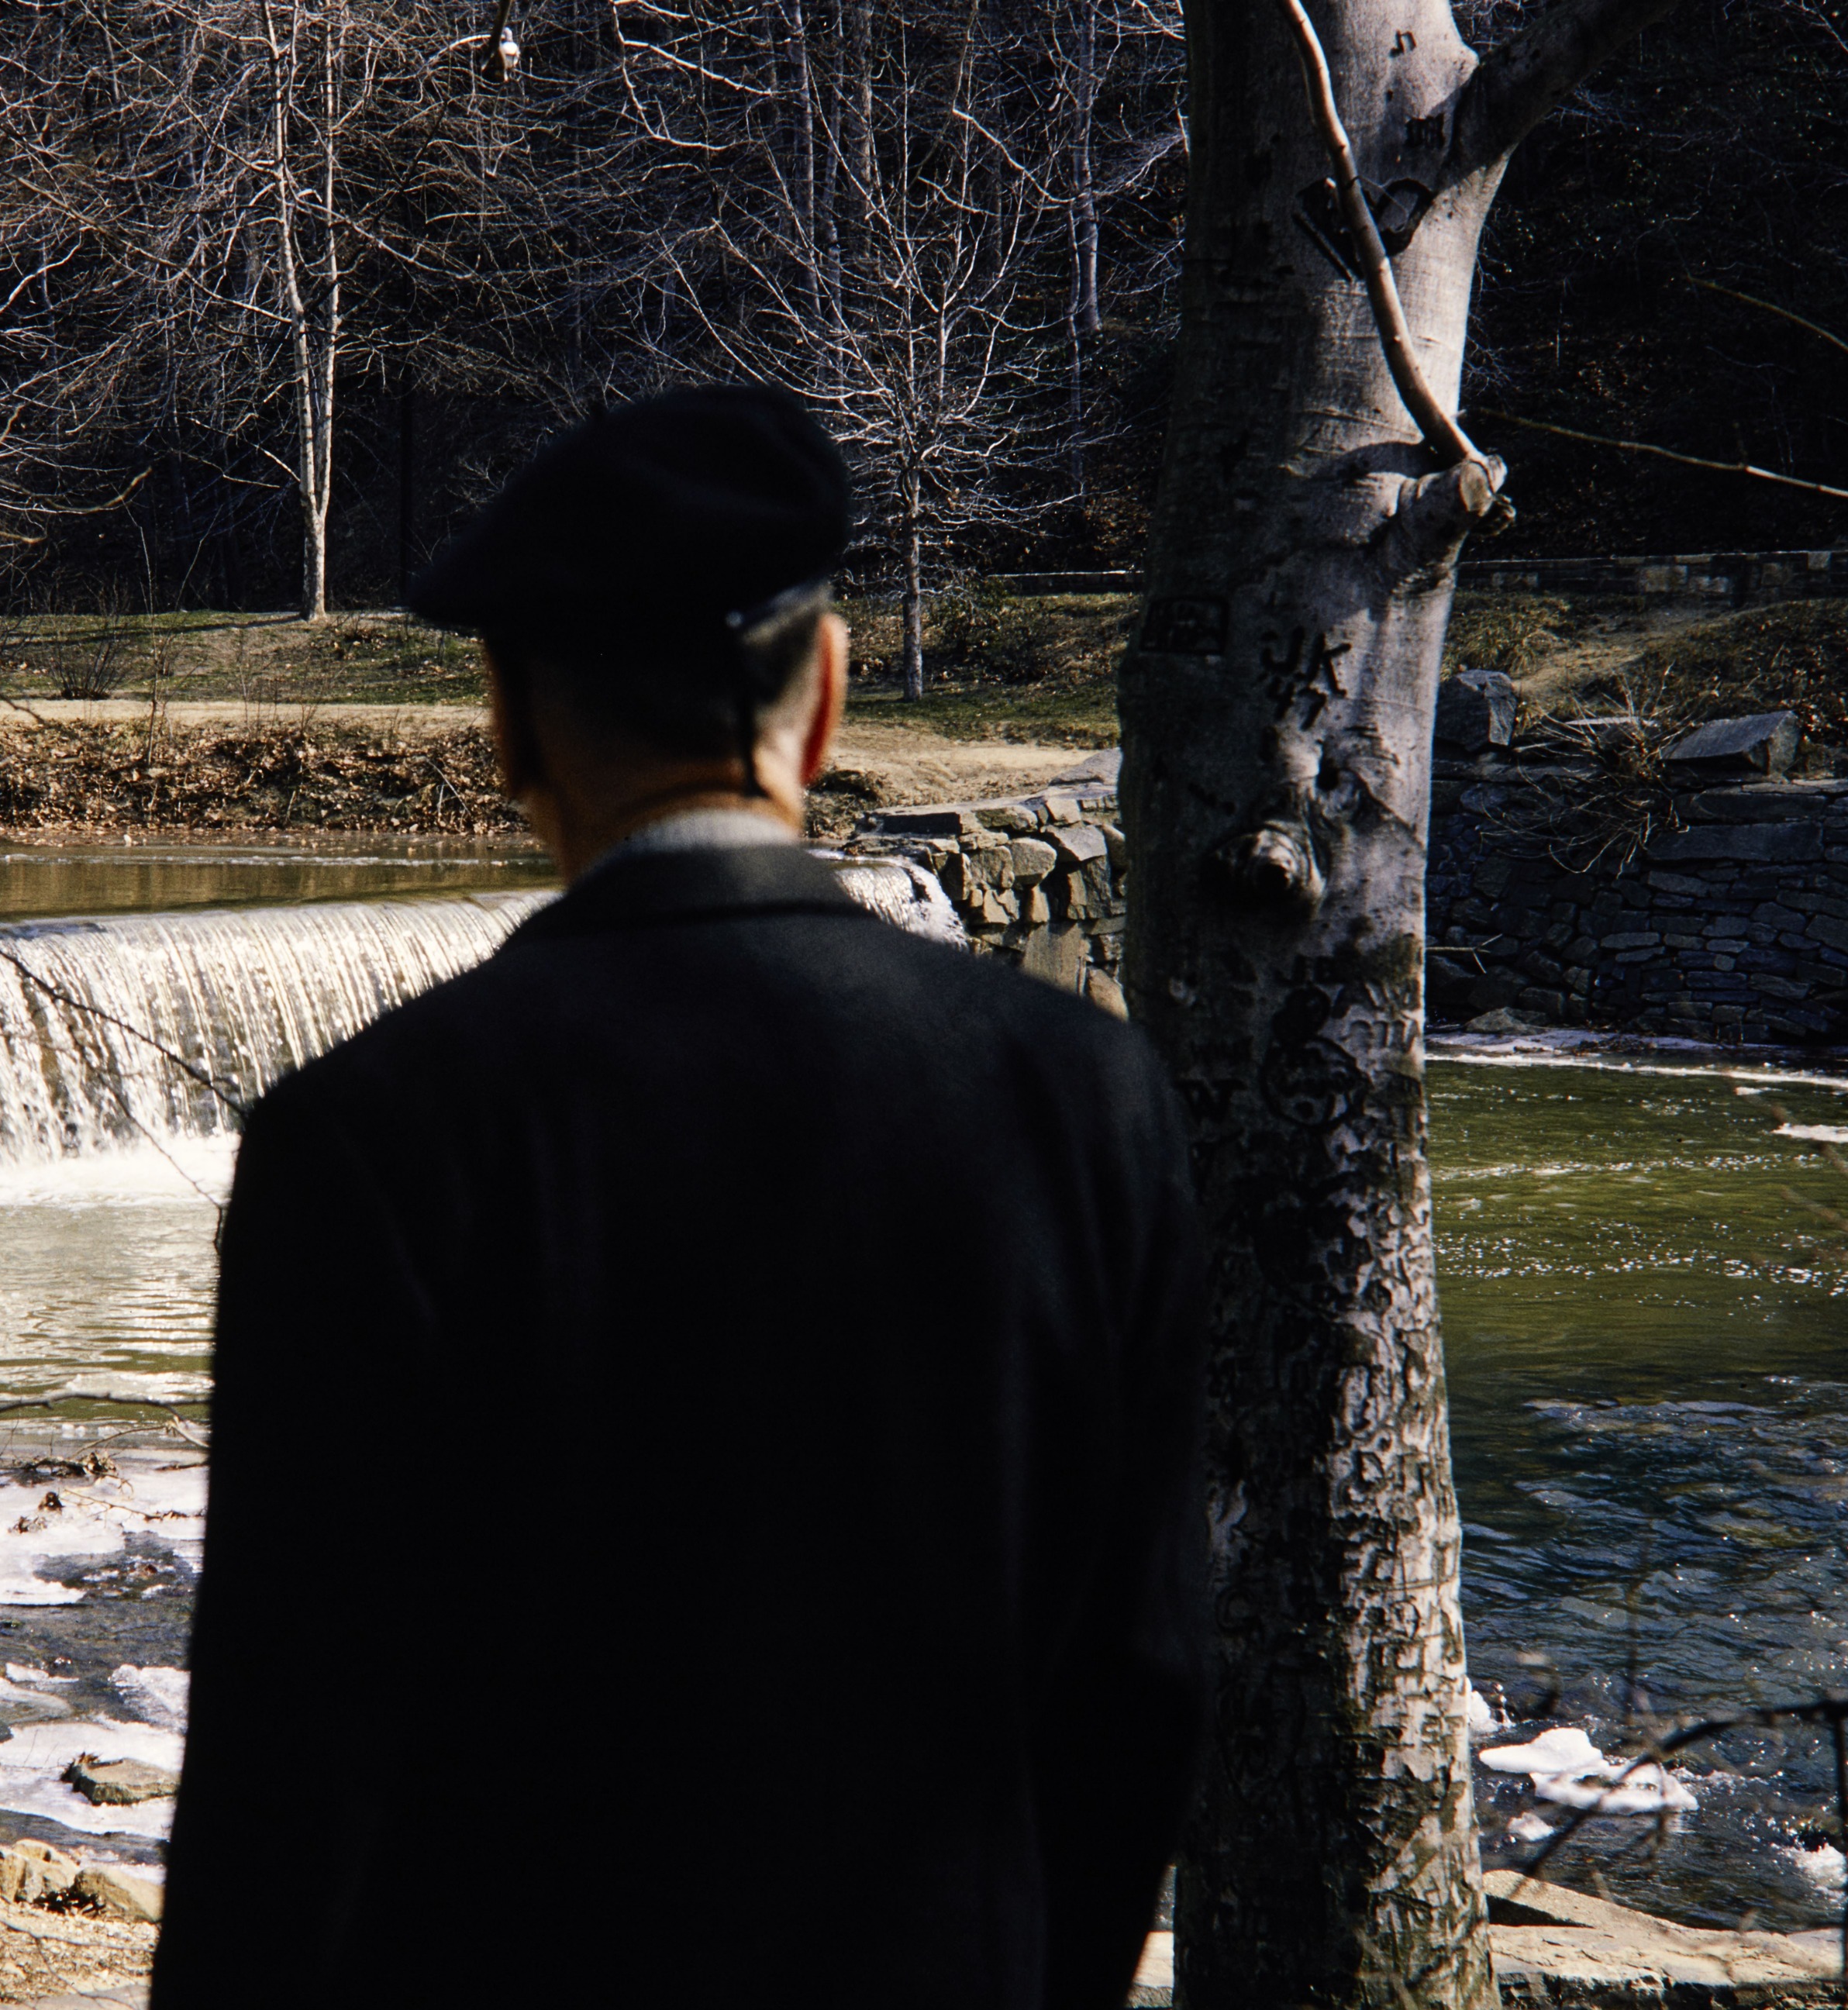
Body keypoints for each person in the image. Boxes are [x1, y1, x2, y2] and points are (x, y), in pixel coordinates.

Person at [152, 385, 1208, 2010]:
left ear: (507, 726)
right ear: (826, 695)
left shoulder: (364, 1136)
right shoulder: (1084, 1098)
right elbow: (1141, 1680)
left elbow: (285, 1774)